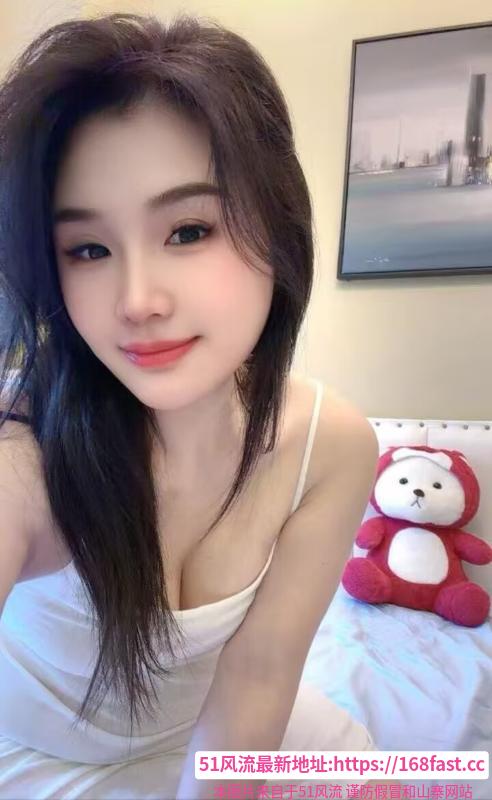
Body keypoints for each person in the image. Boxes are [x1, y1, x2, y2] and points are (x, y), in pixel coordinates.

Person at [0, 11, 385, 799]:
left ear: (277, 225)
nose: (137, 300)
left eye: (187, 230)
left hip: (218, 739)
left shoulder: (329, 447)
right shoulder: (24, 451)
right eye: (88, 249)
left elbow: (259, 677)